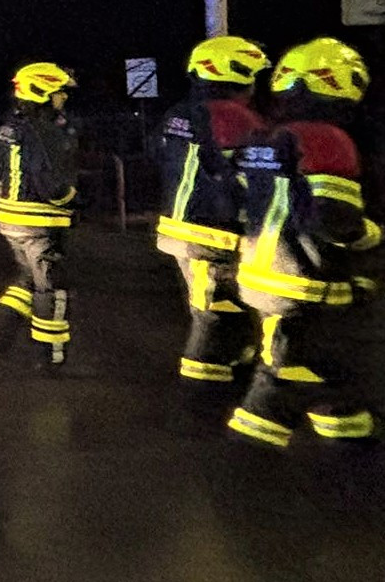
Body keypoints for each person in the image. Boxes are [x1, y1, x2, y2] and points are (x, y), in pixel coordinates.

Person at [228, 38, 380, 448]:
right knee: (286, 372)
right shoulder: (329, 139)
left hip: (262, 273)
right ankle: (246, 456)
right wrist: (371, 235)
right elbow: (336, 220)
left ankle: (349, 432)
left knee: (332, 362)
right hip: (304, 281)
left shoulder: (262, 138)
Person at [153, 36, 270, 385]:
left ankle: (226, 368)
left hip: (180, 227)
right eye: (252, 76)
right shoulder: (233, 116)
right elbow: (254, 177)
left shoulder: (178, 113)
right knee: (215, 313)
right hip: (214, 232)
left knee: (218, 309)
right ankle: (200, 390)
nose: (255, 86)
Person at [0, 62, 80, 367]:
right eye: (59, 92)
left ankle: (1, 334)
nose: (63, 98)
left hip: (11, 219)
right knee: (51, 290)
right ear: (42, 93)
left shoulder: (9, 127)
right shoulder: (44, 130)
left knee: (28, 278)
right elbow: (50, 182)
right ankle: (50, 356)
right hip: (39, 221)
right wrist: (73, 199)